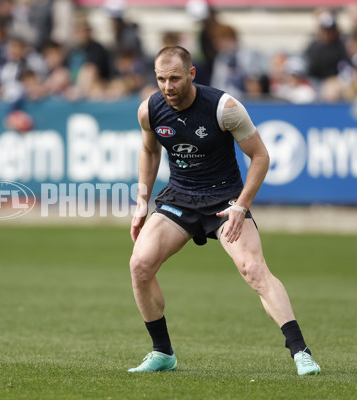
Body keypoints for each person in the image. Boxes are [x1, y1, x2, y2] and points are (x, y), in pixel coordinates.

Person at [127, 46, 321, 376]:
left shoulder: (224, 108)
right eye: (160, 79)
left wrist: (242, 206)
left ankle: (301, 352)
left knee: (253, 269)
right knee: (139, 265)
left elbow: (260, 157)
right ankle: (162, 353)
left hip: (225, 200)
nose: (167, 86)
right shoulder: (150, 110)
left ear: (191, 74)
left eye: (174, 78)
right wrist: (142, 203)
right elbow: (149, 152)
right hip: (180, 198)